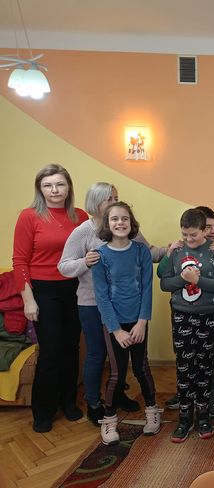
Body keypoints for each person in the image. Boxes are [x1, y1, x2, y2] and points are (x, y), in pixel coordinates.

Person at [58, 182, 166, 425]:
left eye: (117, 198)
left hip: (122, 304)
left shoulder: (124, 225)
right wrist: (85, 262)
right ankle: (94, 403)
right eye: (111, 199)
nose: (116, 203)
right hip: (91, 303)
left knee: (119, 355)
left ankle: (117, 395)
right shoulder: (83, 232)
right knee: (97, 353)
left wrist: (170, 251)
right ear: (97, 203)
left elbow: (147, 252)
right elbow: (63, 266)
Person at [13, 164, 89, 433]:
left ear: (69, 187)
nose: (54, 190)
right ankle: (43, 410)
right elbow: (20, 261)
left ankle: (68, 402)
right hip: (43, 291)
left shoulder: (80, 216)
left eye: (60, 184)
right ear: (40, 189)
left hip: (75, 289)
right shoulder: (29, 216)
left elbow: (89, 252)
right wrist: (28, 300)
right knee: (51, 352)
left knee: (71, 348)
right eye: (48, 185)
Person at [91, 202, 161, 446]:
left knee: (141, 368)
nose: (120, 223)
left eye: (124, 219)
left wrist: (142, 322)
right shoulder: (100, 256)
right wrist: (116, 330)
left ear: (131, 223)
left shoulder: (141, 251)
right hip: (115, 324)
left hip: (138, 320)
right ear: (107, 224)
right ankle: (109, 419)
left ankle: (152, 410)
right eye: (114, 219)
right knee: (117, 373)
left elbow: (147, 288)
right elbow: (101, 297)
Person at [161, 206, 214, 420]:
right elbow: (163, 278)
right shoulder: (179, 250)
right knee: (185, 358)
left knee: (212, 357)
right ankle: (186, 398)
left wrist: (198, 279)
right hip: (184, 311)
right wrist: (171, 259)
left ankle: (208, 397)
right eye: (209, 226)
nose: (213, 231)